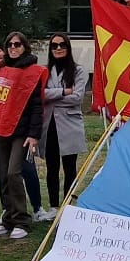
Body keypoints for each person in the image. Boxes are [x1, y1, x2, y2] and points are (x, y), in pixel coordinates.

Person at [0, 32, 47, 240]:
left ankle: (22, 219)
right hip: (0, 130)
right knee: (3, 174)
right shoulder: (1, 70)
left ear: (24, 46)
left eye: (17, 44)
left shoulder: (33, 72)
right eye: (9, 44)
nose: (13, 47)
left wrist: (34, 134)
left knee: (13, 172)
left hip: (21, 131)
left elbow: (37, 106)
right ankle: (8, 215)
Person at [40, 32, 91, 215]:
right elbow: (40, 95)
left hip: (69, 124)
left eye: (62, 45)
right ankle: (53, 207)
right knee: (51, 167)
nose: (58, 48)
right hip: (50, 125)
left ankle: (68, 206)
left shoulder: (78, 70)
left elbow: (77, 97)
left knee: (70, 167)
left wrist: (51, 95)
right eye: (54, 45)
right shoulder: (44, 71)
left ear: (68, 48)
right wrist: (63, 91)